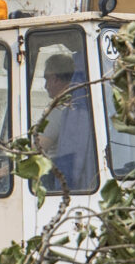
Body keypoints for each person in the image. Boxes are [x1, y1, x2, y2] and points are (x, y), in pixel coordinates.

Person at [33, 52, 97, 193]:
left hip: (55, 183)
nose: (45, 86)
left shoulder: (60, 110)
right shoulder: (84, 104)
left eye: (47, 79)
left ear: (55, 78)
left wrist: (4, 171)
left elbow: (35, 152)